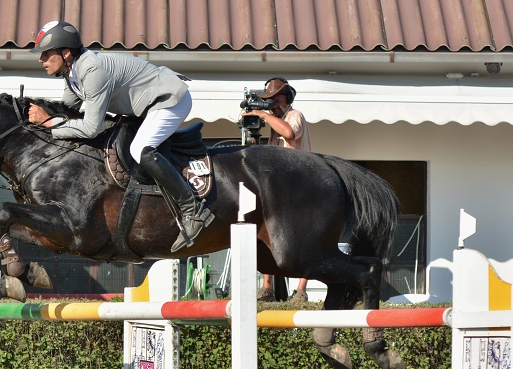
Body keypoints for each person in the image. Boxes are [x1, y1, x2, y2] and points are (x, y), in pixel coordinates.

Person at [27, 20, 213, 253]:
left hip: (168, 100)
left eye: (45, 53)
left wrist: (48, 122)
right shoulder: (71, 72)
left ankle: (192, 210)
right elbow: (69, 109)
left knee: (140, 150)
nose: (40, 59)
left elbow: (90, 128)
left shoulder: (92, 71)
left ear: (65, 53)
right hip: (144, 107)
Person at [242, 77, 313, 303]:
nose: (274, 104)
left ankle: (300, 290)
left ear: (287, 99)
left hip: (299, 183)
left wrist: (263, 114)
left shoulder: (295, 115)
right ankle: (266, 287)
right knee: (269, 234)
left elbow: (290, 133)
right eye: (271, 100)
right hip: (279, 186)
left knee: (303, 237)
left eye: (278, 99)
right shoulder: (275, 121)